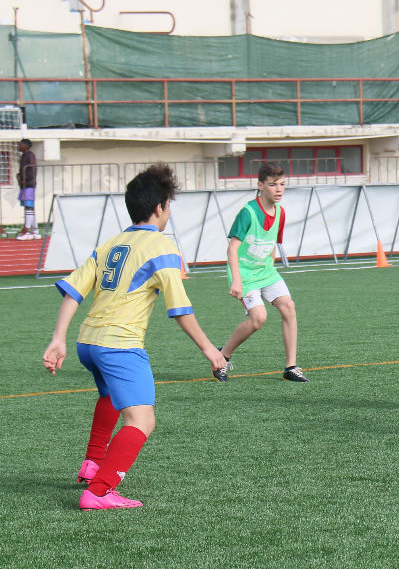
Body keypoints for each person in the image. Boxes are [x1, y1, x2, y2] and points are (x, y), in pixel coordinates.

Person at [42, 163, 225, 510]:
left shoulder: (111, 243)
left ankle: (93, 463)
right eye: (169, 204)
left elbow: (73, 292)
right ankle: (99, 490)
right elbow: (180, 310)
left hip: (87, 342)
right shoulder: (162, 247)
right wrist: (211, 351)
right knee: (142, 420)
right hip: (120, 346)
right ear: (161, 207)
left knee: (111, 396)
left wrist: (58, 339)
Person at [215, 161, 308, 382]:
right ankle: (222, 357)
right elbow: (232, 248)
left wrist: (271, 269)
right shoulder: (248, 212)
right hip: (245, 275)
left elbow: (272, 244)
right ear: (260, 185)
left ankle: (290, 367)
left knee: (288, 306)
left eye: (282, 184)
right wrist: (236, 280)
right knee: (258, 318)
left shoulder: (281, 213)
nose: (279, 190)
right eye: (273, 184)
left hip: (265, 272)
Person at [16, 139, 39, 240]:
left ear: (26, 146)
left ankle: (27, 231)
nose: (19, 146)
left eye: (20, 144)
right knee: (28, 207)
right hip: (24, 185)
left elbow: (32, 169)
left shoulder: (30, 155)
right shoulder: (23, 156)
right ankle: (35, 231)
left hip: (29, 184)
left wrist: (24, 178)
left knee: (29, 206)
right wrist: (19, 177)